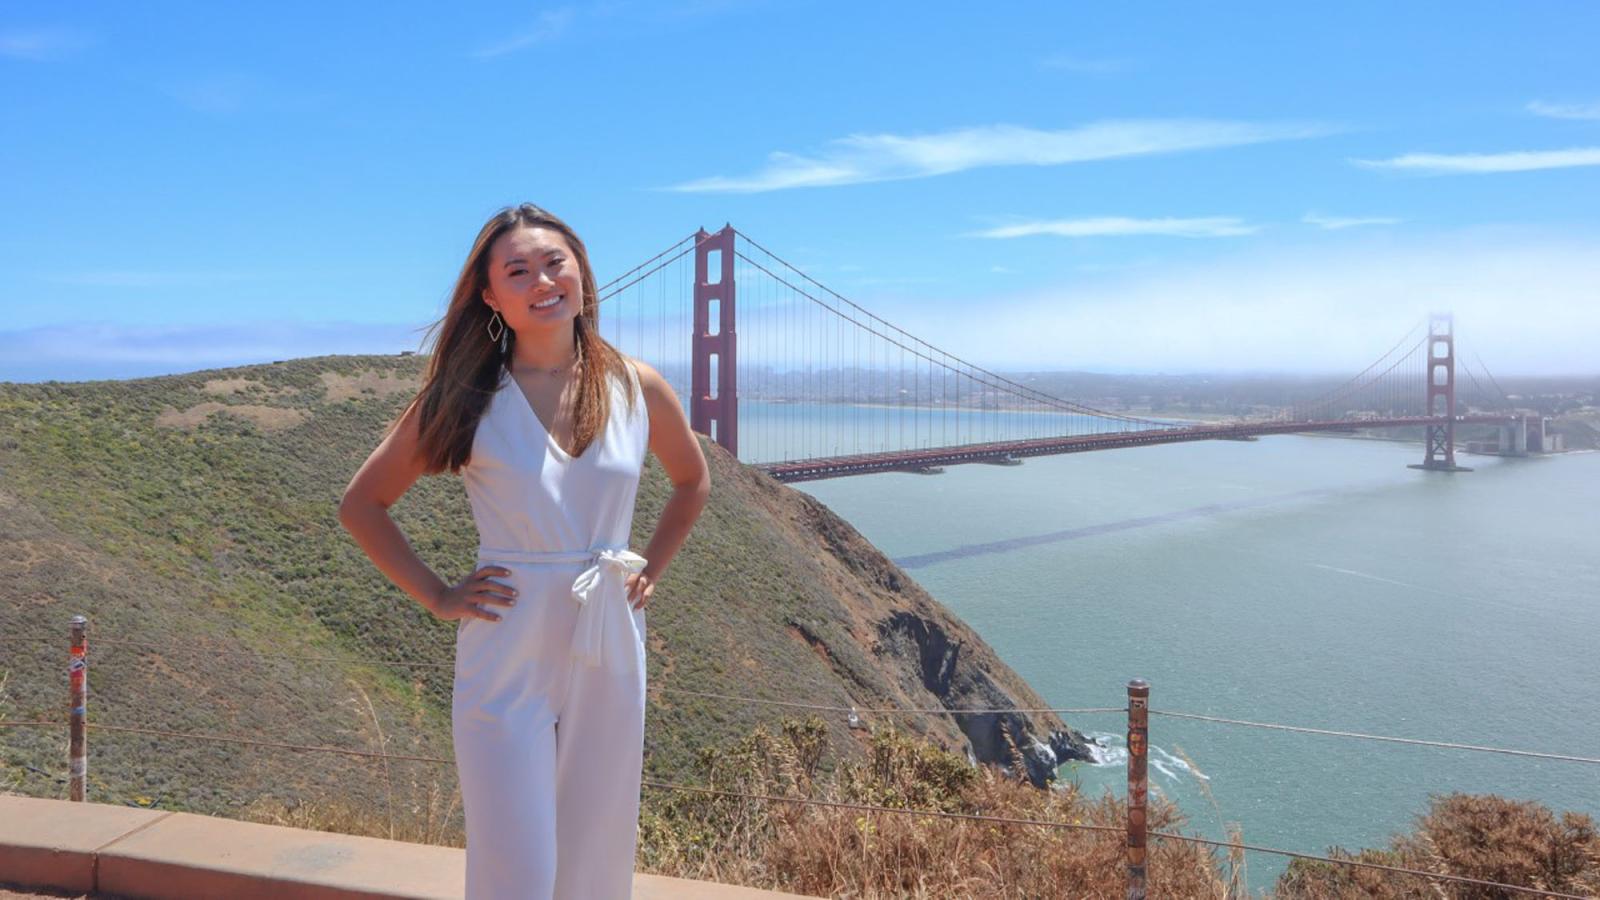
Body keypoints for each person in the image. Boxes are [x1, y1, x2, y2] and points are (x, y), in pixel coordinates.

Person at [338, 203, 710, 899]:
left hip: (609, 630)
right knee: (516, 865)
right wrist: (439, 595)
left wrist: (648, 568)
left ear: (581, 273)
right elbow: (362, 505)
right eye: (518, 270)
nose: (542, 279)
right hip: (505, 639)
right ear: (490, 295)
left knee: (597, 851)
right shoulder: (466, 397)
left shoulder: (637, 385)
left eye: (554, 262)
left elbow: (693, 482)